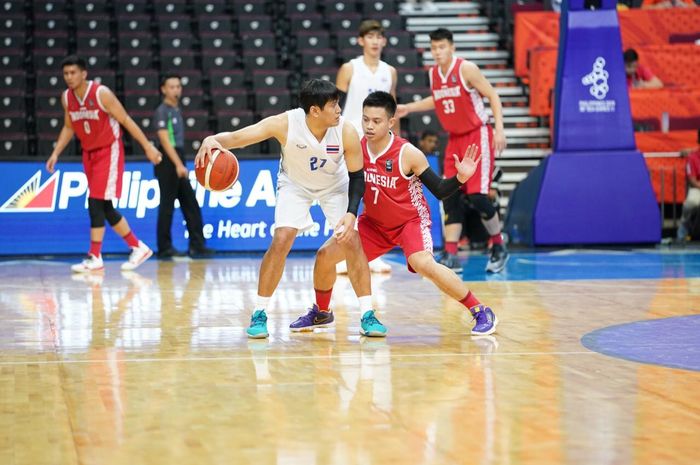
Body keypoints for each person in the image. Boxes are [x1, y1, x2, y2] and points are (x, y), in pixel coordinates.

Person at [195, 79, 387, 338]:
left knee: (351, 240)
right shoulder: (285, 123)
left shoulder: (346, 130)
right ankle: (260, 312)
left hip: (335, 185)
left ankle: (368, 314)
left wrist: (352, 212)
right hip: (295, 184)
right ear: (314, 111)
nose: (339, 109)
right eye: (333, 105)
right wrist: (212, 138)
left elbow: (357, 177)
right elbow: (240, 137)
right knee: (282, 239)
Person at [302, 91, 498, 336]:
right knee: (324, 255)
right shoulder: (356, 147)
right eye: (365, 120)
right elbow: (353, 183)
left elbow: (439, 190)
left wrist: (460, 178)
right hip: (373, 224)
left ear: (391, 122)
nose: (369, 126)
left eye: (376, 121)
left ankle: (480, 309)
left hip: (409, 223)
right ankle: (322, 312)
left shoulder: (408, 153)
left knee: (423, 263)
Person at [396, 28, 509, 273]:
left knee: (479, 196)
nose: (437, 52)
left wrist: (499, 129)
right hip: (454, 139)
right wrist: (409, 108)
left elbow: (492, 95)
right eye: (434, 48)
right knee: (450, 196)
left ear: (452, 47)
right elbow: (437, 100)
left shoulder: (466, 69)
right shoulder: (434, 73)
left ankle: (499, 245)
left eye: (442, 47)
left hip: (477, 135)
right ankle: (451, 253)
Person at [46, 55, 161, 273]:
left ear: (83, 73)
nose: (69, 77)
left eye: (73, 73)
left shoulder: (101, 94)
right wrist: (55, 153)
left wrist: (148, 146)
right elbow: (69, 127)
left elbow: (125, 120)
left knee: (95, 202)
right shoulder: (66, 98)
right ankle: (138, 247)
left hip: (109, 151)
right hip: (88, 153)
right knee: (105, 207)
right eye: (66, 74)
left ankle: (95, 256)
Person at [336, 19, 398, 274]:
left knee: (375, 198)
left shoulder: (390, 71)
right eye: (369, 37)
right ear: (361, 40)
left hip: (378, 144)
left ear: (383, 41)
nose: (374, 41)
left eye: (378, 37)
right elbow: (334, 107)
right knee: (345, 196)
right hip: (350, 139)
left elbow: (392, 111)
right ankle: (340, 255)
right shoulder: (349, 68)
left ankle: (372, 255)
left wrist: (397, 143)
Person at [154, 73, 213, 259]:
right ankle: (164, 248)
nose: (176, 90)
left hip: (178, 157)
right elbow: (164, 141)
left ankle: (197, 245)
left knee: (190, 203)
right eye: (171, 87)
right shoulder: (162, 111)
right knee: (167, 206)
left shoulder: (177, 110)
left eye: (178, 86)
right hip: (168, 160)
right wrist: (179, 164)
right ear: (163, 89)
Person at [677, 130, 700, 241]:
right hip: (697, 188)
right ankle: (683, 229)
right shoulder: (693, 157)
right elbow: (692, 181)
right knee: (691, 203)